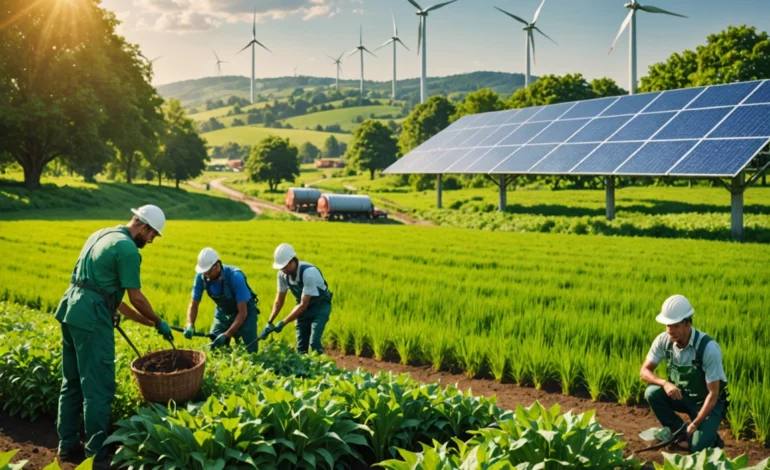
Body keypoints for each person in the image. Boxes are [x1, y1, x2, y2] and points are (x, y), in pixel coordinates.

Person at [55, 205, 174, 467]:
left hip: (71, 309)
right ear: (143, 227)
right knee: (98, 388)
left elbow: (114, 300)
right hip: (92, 318)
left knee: (72, 382)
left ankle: (67, 446)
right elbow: (136, 298)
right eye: (153, 234)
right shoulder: (129, 250)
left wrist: (148, 324)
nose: (153, 240)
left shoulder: (102, 234)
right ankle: (95, 455)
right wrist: (158, 320)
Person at [640, 294, 728, 452]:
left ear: (688, 324)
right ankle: (678, 431)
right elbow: (644, 371)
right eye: (668, 325)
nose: (670, 330)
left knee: (696, 448)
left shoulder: (708, 348)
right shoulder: (663, 340)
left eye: (675, 325)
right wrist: (665, 384)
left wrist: (695, 423)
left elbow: (713, 394)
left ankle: (712, 438)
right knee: (652, 392)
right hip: (683, 396)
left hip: (707, 403)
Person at [184, 247, 259, 353]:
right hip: (223, 313)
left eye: (208, 272)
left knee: (251, 350)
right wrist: (190, 324)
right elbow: (194, 304)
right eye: (204, 272)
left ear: (216, 266)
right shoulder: (201, 277)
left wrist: (226, 335)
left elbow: (243, 313)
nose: (206, 275)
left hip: (246, 312)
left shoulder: (235, 277)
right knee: (214, 347)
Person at [261, 243, 332, 354]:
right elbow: (279, 301)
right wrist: (269, 322)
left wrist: (283, 323)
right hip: (302, 308)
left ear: (291, 262)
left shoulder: (308, 273)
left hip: (320, 306)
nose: (282, 270)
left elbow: (303, 305)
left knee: (314, 342)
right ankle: (303, 370)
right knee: (301, 347)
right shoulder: (282, 275)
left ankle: (322, 368)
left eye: (284, 267)